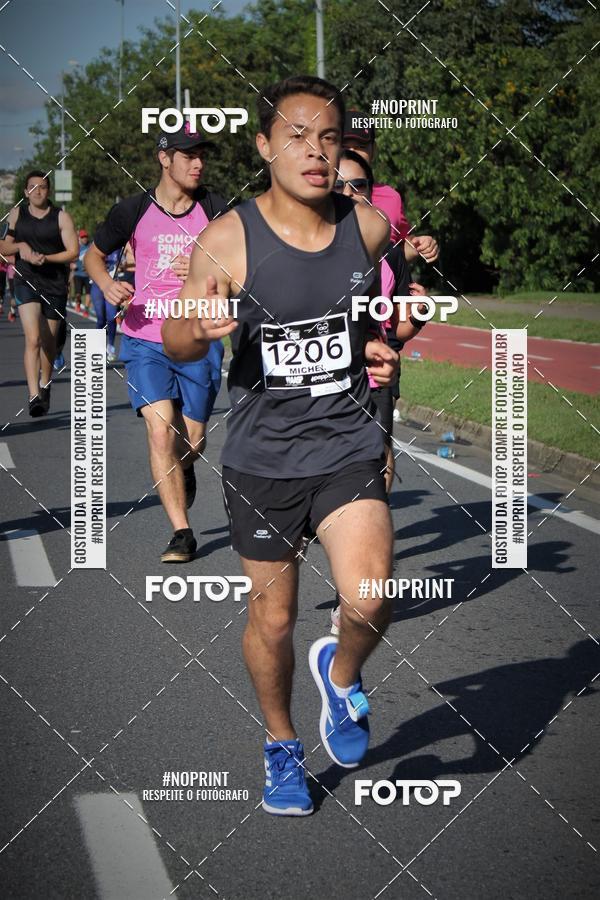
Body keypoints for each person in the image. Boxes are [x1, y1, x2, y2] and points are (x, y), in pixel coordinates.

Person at [163, 75, 404, 817]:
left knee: (368, 598)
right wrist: (193, 330)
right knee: (272, 619)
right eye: (297, 135)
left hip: (346, 444)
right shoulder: (228, 238)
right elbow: (176, 330)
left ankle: (341, 674)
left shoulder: (366, 228)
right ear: (264, 145)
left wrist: (378, 347)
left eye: (329, 137)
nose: (316, 151)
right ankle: (281, 747)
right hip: (263, 463)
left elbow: (362, 320)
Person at [85, 125, 228, 563]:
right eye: (188, 155)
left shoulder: (217, 209)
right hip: (144, 335)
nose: (198, 163)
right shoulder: (131, 210)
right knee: (160, 429)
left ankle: (185, 465)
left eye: (202, 154)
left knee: (194, 441)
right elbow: (93, 253)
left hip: (198, 336)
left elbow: (242, 268)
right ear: (164, 158)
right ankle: (181, 532)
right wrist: (107, 282)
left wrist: (210, 270)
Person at [0, 171, 78, 416]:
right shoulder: (16, 215)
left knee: (49, 343)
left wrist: (47, 258)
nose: (37, 191)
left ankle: (46, 384)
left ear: (48, 191)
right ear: (25, 192)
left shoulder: (61, 217)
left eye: (42, 187)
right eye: (32, 187)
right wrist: (21, 246)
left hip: (54, 282)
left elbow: (73, 251)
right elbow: (3, 246)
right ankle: (34, 394)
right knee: (33, 338)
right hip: (26, 280)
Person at [342, 111, 438, 264]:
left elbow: (397, 252)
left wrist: (418, 246)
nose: (352, 152)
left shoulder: (392, 197)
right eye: (344, 146)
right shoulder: (317, 195)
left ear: (373, 150)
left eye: (361, 146)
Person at [90, 244, 121, 363]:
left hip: (112, 284)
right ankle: (98, 348)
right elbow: (86, 263)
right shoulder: (96, 247)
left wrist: (121, 265)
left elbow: (124, 262)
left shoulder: (118, 248)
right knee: (101, 319)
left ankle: (111, 347)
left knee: (111, 317)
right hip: (97, 285)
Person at [72, 229, 91, 315]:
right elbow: (70, 258)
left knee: (88, 293)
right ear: (79, 238)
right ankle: (78, 303)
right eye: (82, 237)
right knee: (78, 293)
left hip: (88, 275)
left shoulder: (91, 247)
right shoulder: (76, 247)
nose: (84, 239)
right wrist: (71, 264)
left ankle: (86, 310)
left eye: (85, 237)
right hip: (78, 274)